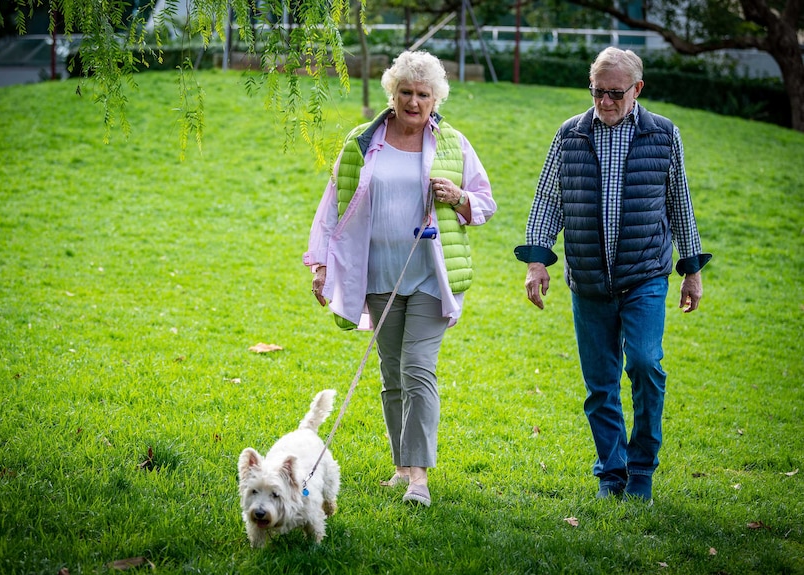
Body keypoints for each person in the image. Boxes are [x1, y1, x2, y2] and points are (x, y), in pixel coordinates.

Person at [514, 47, 711, 502]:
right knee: (600, 385)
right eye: (597, 91)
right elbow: (547, 199)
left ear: (637, 90)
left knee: (645, 363)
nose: (604, 101)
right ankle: (612, 474)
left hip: (645, 275)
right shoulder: (570, 135)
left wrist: (692, 270)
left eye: (614, 93)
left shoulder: (663, 135)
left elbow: (679, 202)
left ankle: (641, 468)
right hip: (588, 280)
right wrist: (537, 260)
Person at [304, 50, 497, 507]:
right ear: (393, 93)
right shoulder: (362, 141)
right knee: (392, 377)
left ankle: (420, 479)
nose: (413, 101)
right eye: (406, 92)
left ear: (435, 98)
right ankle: (400, 467)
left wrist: (459, 196)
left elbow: (485, 202)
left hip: (432, 275)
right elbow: (334, 204)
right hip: (379, 276)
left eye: (423, 94)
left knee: (417, 370)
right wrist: (321, 265)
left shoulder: (451, 143)